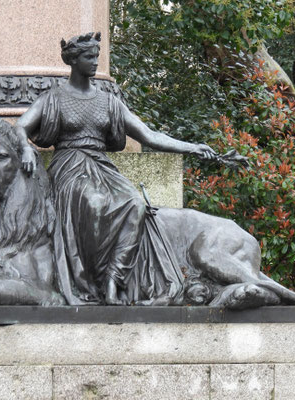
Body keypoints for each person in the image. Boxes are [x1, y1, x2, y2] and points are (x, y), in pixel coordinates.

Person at [15, 32, 216, 305]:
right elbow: (21, 126)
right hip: (70, 167)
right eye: (89, 57)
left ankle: (113, 279)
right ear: (73, 61)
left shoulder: (108, 101)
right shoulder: (54, 98)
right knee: (95, 204)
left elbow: (149, 136)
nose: (95, 62)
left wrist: (192, 147)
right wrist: (26, 147)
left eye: (97, 56)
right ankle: (93, 282)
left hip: (101, 166)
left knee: (135, 204)